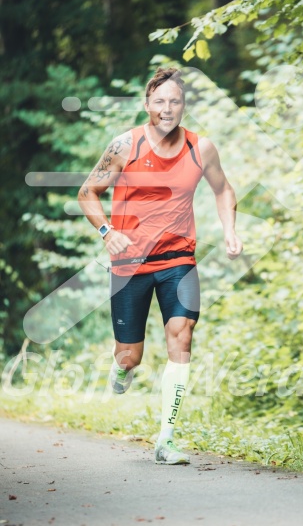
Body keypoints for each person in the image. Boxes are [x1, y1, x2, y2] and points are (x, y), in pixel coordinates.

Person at [78, 67, 243, 465]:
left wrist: (229, 229)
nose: (167, 108)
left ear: (184, 106)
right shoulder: (124, 146)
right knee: (129, 357)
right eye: (160, 101)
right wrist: (106, 231)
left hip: (178, 260)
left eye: (175, 101)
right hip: (129, 263)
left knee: (181, 334)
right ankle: (123, 369)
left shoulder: (200, 148)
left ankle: (166, 439)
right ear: (147, 104)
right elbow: (88, 192)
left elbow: (224, 190)